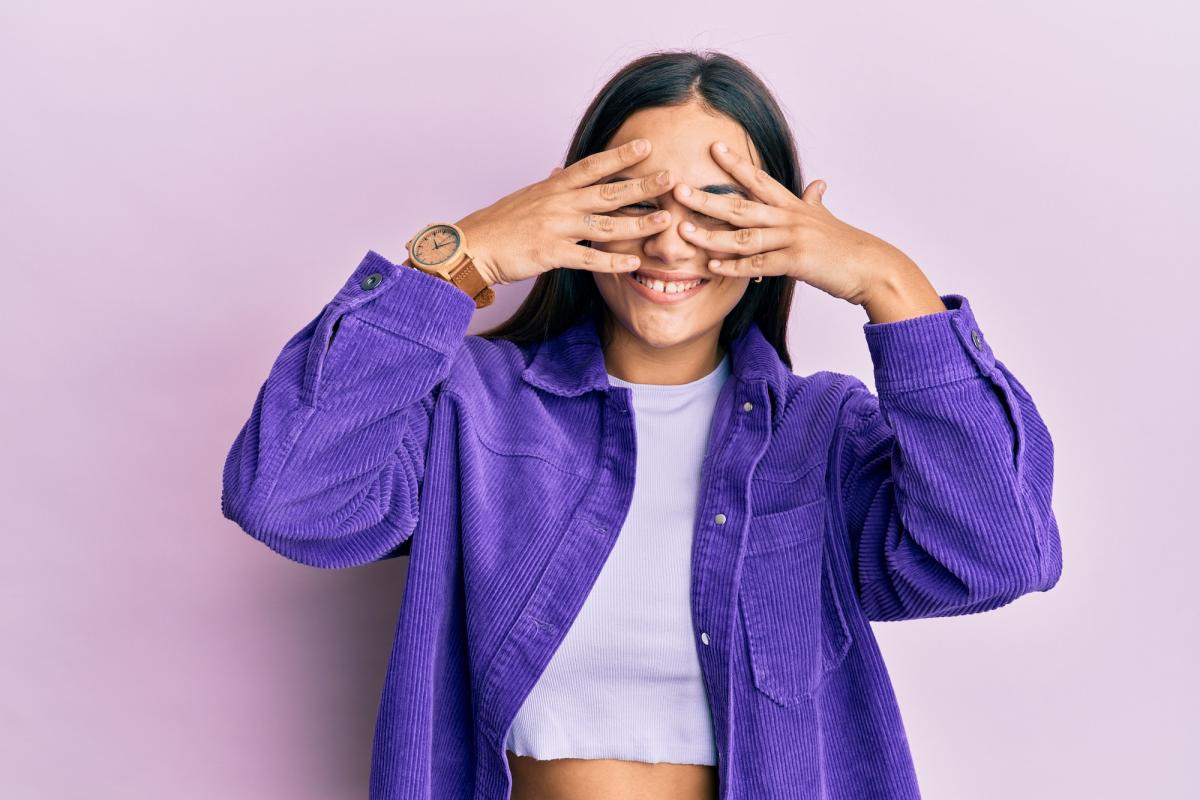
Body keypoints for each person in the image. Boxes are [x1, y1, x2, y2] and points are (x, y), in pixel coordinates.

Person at [220, 50, 1062, 800]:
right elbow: (290, 500)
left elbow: (996, 556)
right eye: (635, 203)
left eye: (720, 208)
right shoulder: (470, 405)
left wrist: (890, 282)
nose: (671, 242)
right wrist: (463, 255)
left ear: (783, 232)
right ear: (569, 205)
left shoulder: (824, 433)